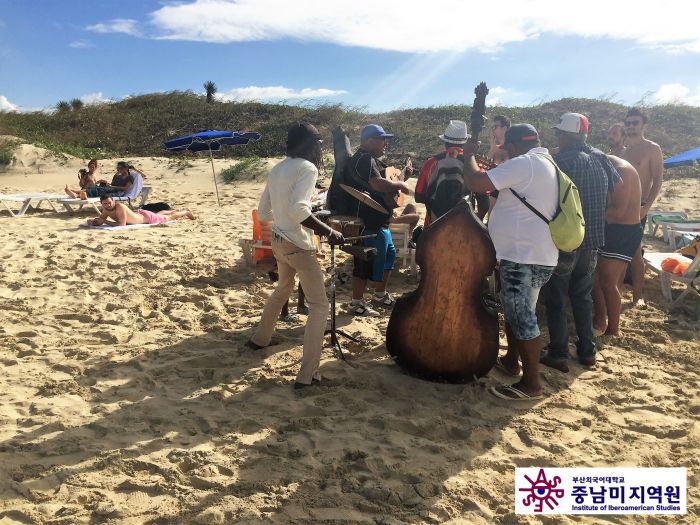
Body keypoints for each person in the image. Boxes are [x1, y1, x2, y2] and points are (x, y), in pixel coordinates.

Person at [245, 122, 344, 390]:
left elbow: (263, 213)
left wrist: (290, 216)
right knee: (319, 306)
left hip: (277, 240)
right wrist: (328, 231)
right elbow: (300, 210)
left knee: (282, 289)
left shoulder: (278, 168)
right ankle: (307, 375)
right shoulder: (307, 168)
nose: (320, 150)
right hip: (297, 245)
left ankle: (260, 339)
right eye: (318, 144)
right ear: (309, 145)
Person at [463, 124, 558, 401]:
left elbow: (476, 183)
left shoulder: (525, 163)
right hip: (536, 255)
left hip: (523, 257)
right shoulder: (544, 162)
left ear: (514, 147)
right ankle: (511, 360)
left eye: (508, 148)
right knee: (520, 311)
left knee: (522, 317)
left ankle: (531, 384)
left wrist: (469, 155)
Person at [540, 113, 619, 373]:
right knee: (582, 297)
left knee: (556, 298)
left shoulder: (560, 161)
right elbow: (612, 190)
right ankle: (587, 351)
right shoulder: (601, 159)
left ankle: (559, 352)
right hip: (593, 241)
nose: (557, 138)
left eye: (559, 134)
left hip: (566, 241)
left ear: (566, 136)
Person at [345, 124, 411, 316]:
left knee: (388, 255)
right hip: (367, 222)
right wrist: (401, 184)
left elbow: (387, 184)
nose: (385, 144)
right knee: (364, 261)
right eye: (382, 140)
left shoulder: (372, 160)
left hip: (379, 222)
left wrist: (404, 175)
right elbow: (378, 184)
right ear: (369, 141)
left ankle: (380, 294)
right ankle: (356, 303)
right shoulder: (364, 159)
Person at [593, 155, 642, 336]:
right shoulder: (609, 167)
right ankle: (600, 319)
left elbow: (618, 212)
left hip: (623, 231)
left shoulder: (621, 173)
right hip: (610, 228)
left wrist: (588, 213)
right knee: (595, 278)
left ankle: (613, 329)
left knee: (608, 281)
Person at [621, 107, 664, 308]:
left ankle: (638, 295)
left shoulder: (652, 148)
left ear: (643, 125)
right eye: (628, 123)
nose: (631, 127)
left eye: (635, 123)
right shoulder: (623, 151)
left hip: (638, 206)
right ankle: (618, 289)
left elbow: (657, 181)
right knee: (618, 251)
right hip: (619, 207)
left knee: (635, 252)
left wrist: (646, 208)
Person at [415, 120, 489, 225]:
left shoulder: (431, 163)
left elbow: (418, 197)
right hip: (466, 224)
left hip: (434, 224)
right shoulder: (474, 163)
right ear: (465, 143)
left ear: (445, 142)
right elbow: (484, 202)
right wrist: (478, 218)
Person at [87, 194, 195, 226]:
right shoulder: (106, 209)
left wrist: (105, 221)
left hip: (147, 218)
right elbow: (100, 220)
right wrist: (93, 221)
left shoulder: (119, 206)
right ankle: (174, 210)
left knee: (168, 217)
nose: (108, 205)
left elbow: (121, 225)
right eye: (105, 204)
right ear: (102, 204)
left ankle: (185, 212)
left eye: (109, 203)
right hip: (141, 214)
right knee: (159, 214)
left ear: (113, 201)